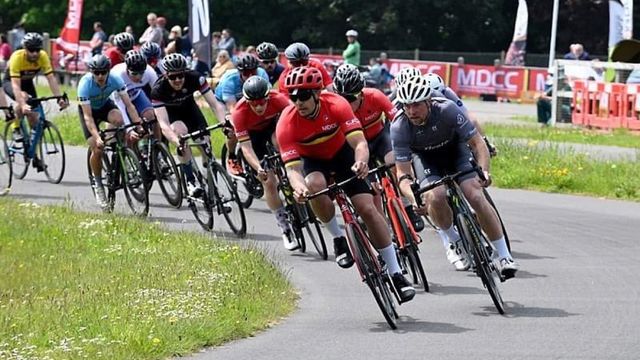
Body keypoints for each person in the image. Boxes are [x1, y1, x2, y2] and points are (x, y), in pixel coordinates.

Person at [275, 66, 416, 302]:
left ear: (317, 94)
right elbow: (293, 170)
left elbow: (360, 143)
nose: (298, 102)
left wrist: (361, 162)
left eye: (303, 96)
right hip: (314, 162)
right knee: (313, 184)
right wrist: (298, 187)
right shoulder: (286, 124)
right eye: (293, 97)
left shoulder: (337, 105)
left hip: (343, 156)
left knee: (368, 209)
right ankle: (338, 238)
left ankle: (396, 273)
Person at [391, 75, 518, 278]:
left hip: (455, 150)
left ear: (428, 102)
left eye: (416, 105)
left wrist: (484, 170)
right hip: (426, 159)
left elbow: (477, 143)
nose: (412, 111)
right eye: (407, 106)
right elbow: (403, 174)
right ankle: (452, 238)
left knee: (475, 194)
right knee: (436, 196)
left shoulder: (446, 109)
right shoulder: (399, 127)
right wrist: (413, 197)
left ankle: (503, 255)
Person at [332, 63, 425, 232]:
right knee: (372, 191)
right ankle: (385, 231)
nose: (348, 104)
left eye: (351, 98)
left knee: (394, 164)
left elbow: (398, 121)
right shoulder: (335, 108)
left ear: (361, 92)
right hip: (357, 146)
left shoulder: (375, 96)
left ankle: (409, 207)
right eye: (343, 99)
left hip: (380, 138)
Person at [233, 76, 296, 249]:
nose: (259, 106)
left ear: (268, 97)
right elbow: (246, 148)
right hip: (254, 138)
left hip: (273, 127)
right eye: (254, 103)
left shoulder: (278, 99)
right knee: (269, 182)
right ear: (247, 101)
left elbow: (295, 122)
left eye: (262, 102)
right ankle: (285, 227)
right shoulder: (239, 113)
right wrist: (258, 168)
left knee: (279, 140)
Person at [150, 53, 220, 197]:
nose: (177, 80)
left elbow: (214, 104)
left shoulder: (195, 78)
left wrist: (224, 121)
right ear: (165, 75)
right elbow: (163, 123)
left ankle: (211, 179)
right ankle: (190, 181)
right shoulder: (158, 90)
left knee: (205, 145)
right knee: (181, 135)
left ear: (185, 72)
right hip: (173, 116)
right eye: (172, 77)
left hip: (191, 112)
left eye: (180, 75)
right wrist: (176, 142)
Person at [78, 54, 142, 209]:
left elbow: (129, 106)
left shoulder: (115, 80)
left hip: (105, 106)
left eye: (103, 72)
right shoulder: (85, 84)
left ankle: (119, 151)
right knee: (97, 148)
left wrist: (138, 125)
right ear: (92, 72)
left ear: (108, 71)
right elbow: (88, 117)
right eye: (96, 73)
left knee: (120, 121)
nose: (100, 76)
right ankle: (98, 185)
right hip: (89, 113)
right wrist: (96, 137)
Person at [2, 32, 68, 161]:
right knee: (23, 99)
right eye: (31, 50)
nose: (35, 53)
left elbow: (51, 79)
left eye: (37, 50)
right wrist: (22, 103)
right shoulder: (17, 57)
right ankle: (16, 128)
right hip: (11, 82)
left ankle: (33, 153)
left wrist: (59, 97)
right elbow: (15, 85)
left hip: (27, 83)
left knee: (35, 121)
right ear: (25, 49)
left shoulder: (42, 56)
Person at [213, 53, 269, 175]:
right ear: (239, 72)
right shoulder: (230, 80)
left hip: (248, 99)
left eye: (253, 72)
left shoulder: (262, 74)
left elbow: (267, 98)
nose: (249, 76)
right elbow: (232, 108)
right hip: (224, 102)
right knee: (231, 127)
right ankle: (232, 157)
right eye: (245, 73)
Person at [424, 72, 497, 156]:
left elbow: (466, 113)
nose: (437, 96)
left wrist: (482, 140)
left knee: (471, 120)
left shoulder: (448, 92)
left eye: (439, 92)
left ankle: (484, 144)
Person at [110, 50, 159, 138]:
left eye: (141, 73)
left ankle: (157, 147)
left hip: (136, 95)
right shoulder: (118, 76)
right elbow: (121, 107)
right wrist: (130, 129)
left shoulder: (149, 72)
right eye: (134, 74)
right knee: (126, 129)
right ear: (127, 70)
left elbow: (159, 95)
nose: (138, 77)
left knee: (152, 117)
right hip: (118, 99)